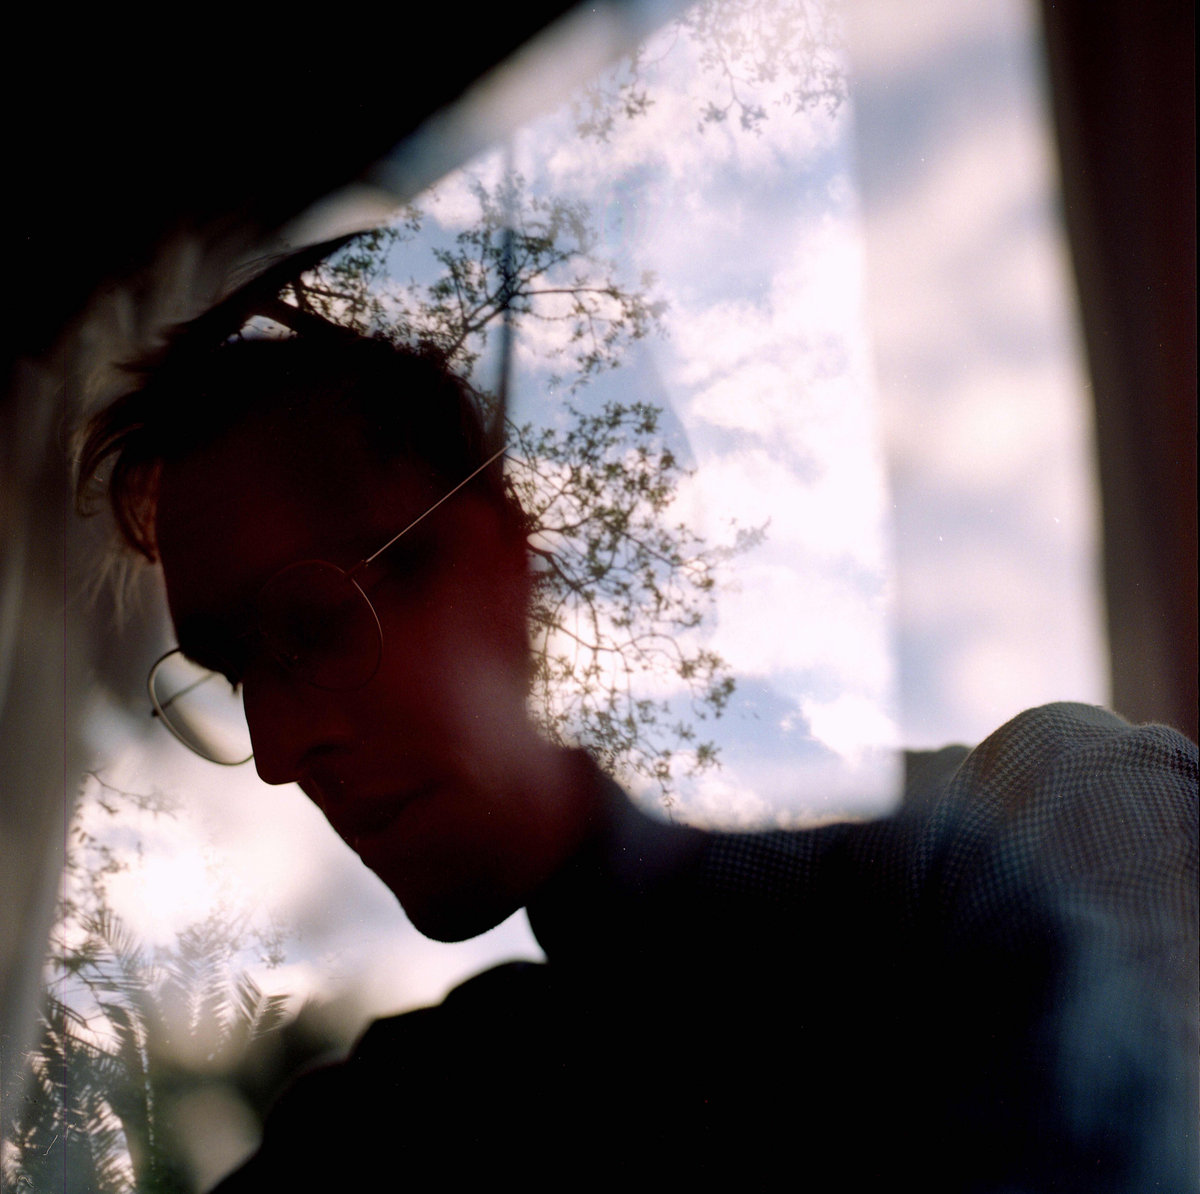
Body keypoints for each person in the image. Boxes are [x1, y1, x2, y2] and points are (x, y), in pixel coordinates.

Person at [75, 327, 1198, 1191]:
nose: (277, 753)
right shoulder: (404, 1115)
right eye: (232, 673)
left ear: (500, 560)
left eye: (315, 624)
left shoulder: (1027, 827)